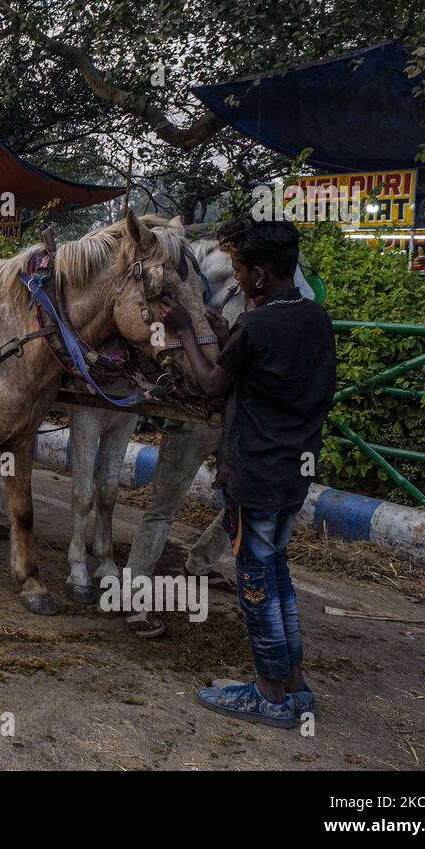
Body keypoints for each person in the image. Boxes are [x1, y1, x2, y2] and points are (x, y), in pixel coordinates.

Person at [161, 215, 336, 730]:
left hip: (255, 472)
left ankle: (268, 694)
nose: (235, 280)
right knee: (278, 574)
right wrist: (226, 331)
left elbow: (214, 382)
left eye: (238, 271)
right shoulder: (313, 316)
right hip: (292, 470)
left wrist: (188, 330)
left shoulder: (257, 324)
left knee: (256, 583)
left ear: (258, 275)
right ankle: (295, 684)